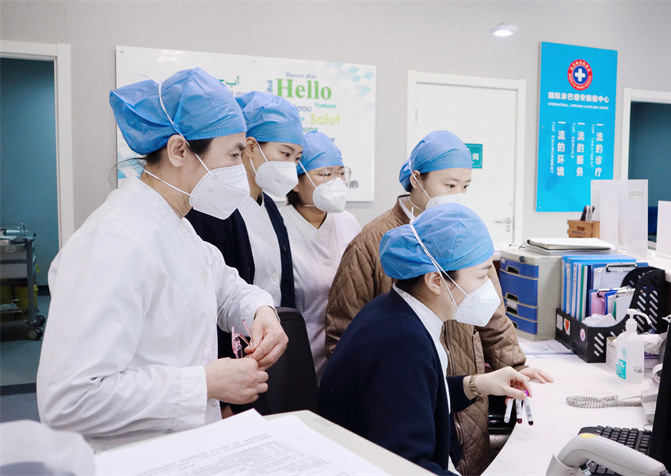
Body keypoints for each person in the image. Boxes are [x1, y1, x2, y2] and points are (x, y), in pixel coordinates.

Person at [36, 68, 287, 452]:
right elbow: (69, 399)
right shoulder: (115, 240)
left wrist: (259, 311)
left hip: (182, 451)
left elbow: (226, 287)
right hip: (129, 459)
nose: (241, 169)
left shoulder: (177, 226)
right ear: (178, 150)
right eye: (235, 154)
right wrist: (205, 384)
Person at [325, 130, 552, 474]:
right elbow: (409, 467)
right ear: (434, 280)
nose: (488, 290)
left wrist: (479, 383)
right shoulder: (402, 346)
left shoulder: (401, 313)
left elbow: (421, 391)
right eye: (481, 277)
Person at [186, 91, 303, 415]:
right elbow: (215, 300)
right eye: (285, 153)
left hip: (266, 348)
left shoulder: (271, 208)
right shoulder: (215, 210)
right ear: (250, 147)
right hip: (229, 367)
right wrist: (223, 398)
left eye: (297, 157)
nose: (292, 166)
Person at [279, 131, 361, 380]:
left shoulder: (348, 222)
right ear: (295, 182)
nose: (336, 182)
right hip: (295, 356)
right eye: (325, 174)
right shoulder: (278, 226)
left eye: (340, 173)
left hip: (346, 352)